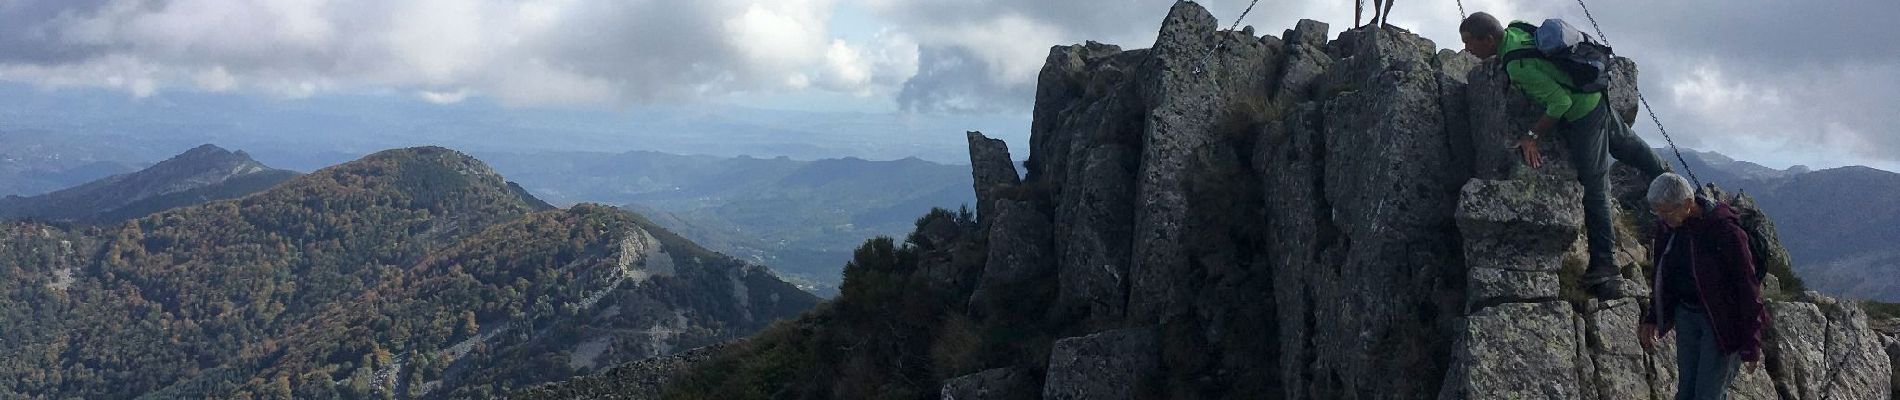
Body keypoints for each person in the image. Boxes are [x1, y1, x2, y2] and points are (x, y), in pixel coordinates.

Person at [1458, 12, 1670, 299]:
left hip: (1583, 114)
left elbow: (1560, 102)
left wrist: (1532, 136)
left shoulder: (1517, 65)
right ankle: (1674, 184)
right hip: (1596, 93)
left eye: (1470, 43)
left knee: (1595, 189)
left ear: (1489, 39)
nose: (1467, 49)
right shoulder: (1516, 32)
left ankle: (1605, 268)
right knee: (1629, 147)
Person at [1637, 173, 1767, 400]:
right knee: (1686, 392)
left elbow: (1747, 287)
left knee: (1708, 394)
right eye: (1657, 211)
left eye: (1665, 211)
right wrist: (1653, 317)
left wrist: (1751, 343)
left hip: (1721, 323)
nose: (1661, 218)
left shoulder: (1725, 231)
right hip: (1686, 315)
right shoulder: (1668, 229)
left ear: (1687, 204)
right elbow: (1663, 275)